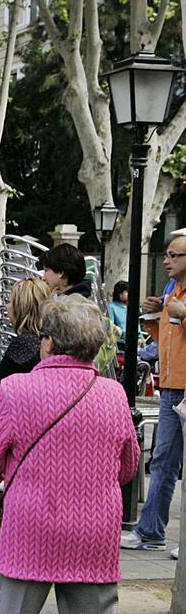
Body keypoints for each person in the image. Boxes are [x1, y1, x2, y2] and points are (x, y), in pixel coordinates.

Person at [0, 295, 139, 614]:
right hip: (95, 533)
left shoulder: (15, 390)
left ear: (49, 342)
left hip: (31, 530)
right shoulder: (114, 394)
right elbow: (128, 469)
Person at [125, 234, 186, 552]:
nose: (166, 260)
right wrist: (151, 315)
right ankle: (150, 532)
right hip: (171, 386)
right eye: (167, 254)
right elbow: (165, 338)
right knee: (162, 460)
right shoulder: (170, 291)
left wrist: (184, 314)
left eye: (174, 255)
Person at [0, 278, 52, 395]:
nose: (7, 306)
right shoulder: (48, 337)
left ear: (21, 307)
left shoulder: (24, 343)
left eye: (10, 301)